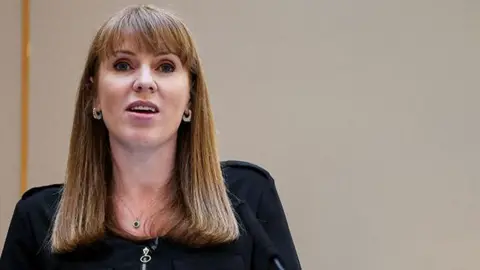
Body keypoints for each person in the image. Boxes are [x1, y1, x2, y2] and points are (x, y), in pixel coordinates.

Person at [0, 4, 301, 270]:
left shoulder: (247, 199)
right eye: (123, 65)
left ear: (191, 100)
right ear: (93, 94)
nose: (144, 82)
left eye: (165, 67)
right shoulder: (37, 220)